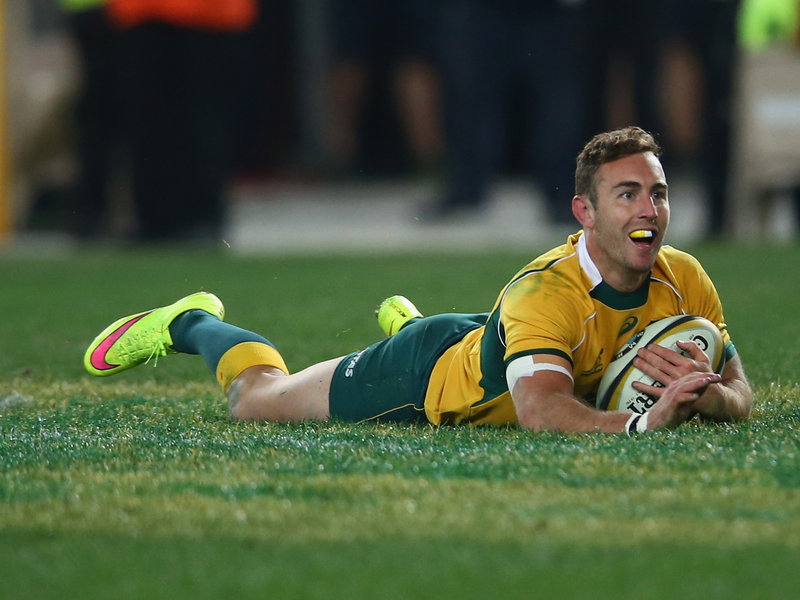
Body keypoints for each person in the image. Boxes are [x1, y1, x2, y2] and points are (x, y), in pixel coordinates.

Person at [84, 127, 753, 435]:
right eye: (628, 195)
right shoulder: (545, 292)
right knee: (258, 402)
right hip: (425, 375)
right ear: (585, 212)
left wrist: (712, 400)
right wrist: (638, 427)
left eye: (658, 194)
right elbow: (541, 412)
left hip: (495, 341)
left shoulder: (683, 275)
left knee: (504, 343)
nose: (649, 212)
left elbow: (738, 382)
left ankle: (421, 323)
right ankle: (190, 321)